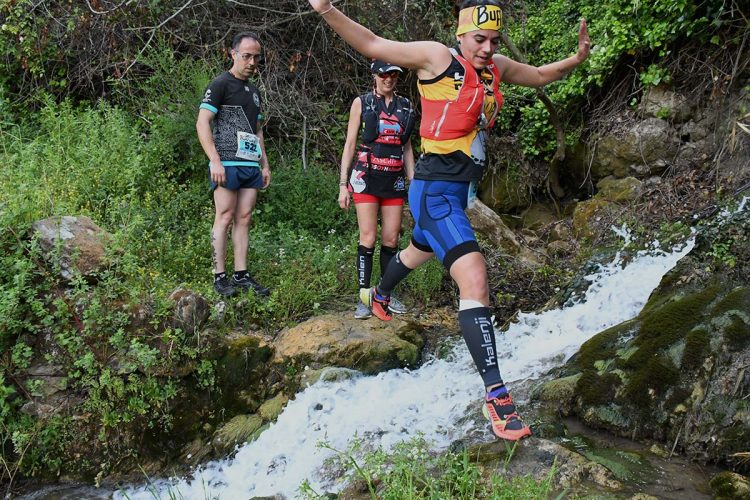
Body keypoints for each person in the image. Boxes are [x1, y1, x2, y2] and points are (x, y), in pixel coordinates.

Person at [309, 0, 590, 441]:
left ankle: (380, 294)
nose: (486, 48)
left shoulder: (495, 67)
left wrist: (574, 60)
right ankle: (497, 397)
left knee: (419, 247)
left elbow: (536, 75)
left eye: (494, 40)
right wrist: (326, 9)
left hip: (458, 195)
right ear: (460, 35)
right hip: (434, 192)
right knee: (474, 278)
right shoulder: (437, 58)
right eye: (479, 39)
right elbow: (373, 43)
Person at [339, 60, 416, 319]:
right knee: (368, 237)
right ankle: (363, 296)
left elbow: (407, 148)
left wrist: (413, 180)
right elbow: (350, 144)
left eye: (394, 74)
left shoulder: (405, 105)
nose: (389, 79)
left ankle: (385, 293)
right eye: (384, 74)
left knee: (391, 239)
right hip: (366, 177)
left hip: (393, 180)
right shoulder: (362, 102)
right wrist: (342, 184)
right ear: (375, 75)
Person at [196, 32, 271, 298]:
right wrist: (214, 160)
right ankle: (219, 277)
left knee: (244, 218)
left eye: (256, 57)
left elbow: (258, 130)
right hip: (226, 162)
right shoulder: (220, 84)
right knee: (225, 216)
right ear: (233, 54)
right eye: (246, 56)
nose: (252, 62)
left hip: (250, 164)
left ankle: (241, 275)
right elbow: (202, 122)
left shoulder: (254, 91)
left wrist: (265, 164)